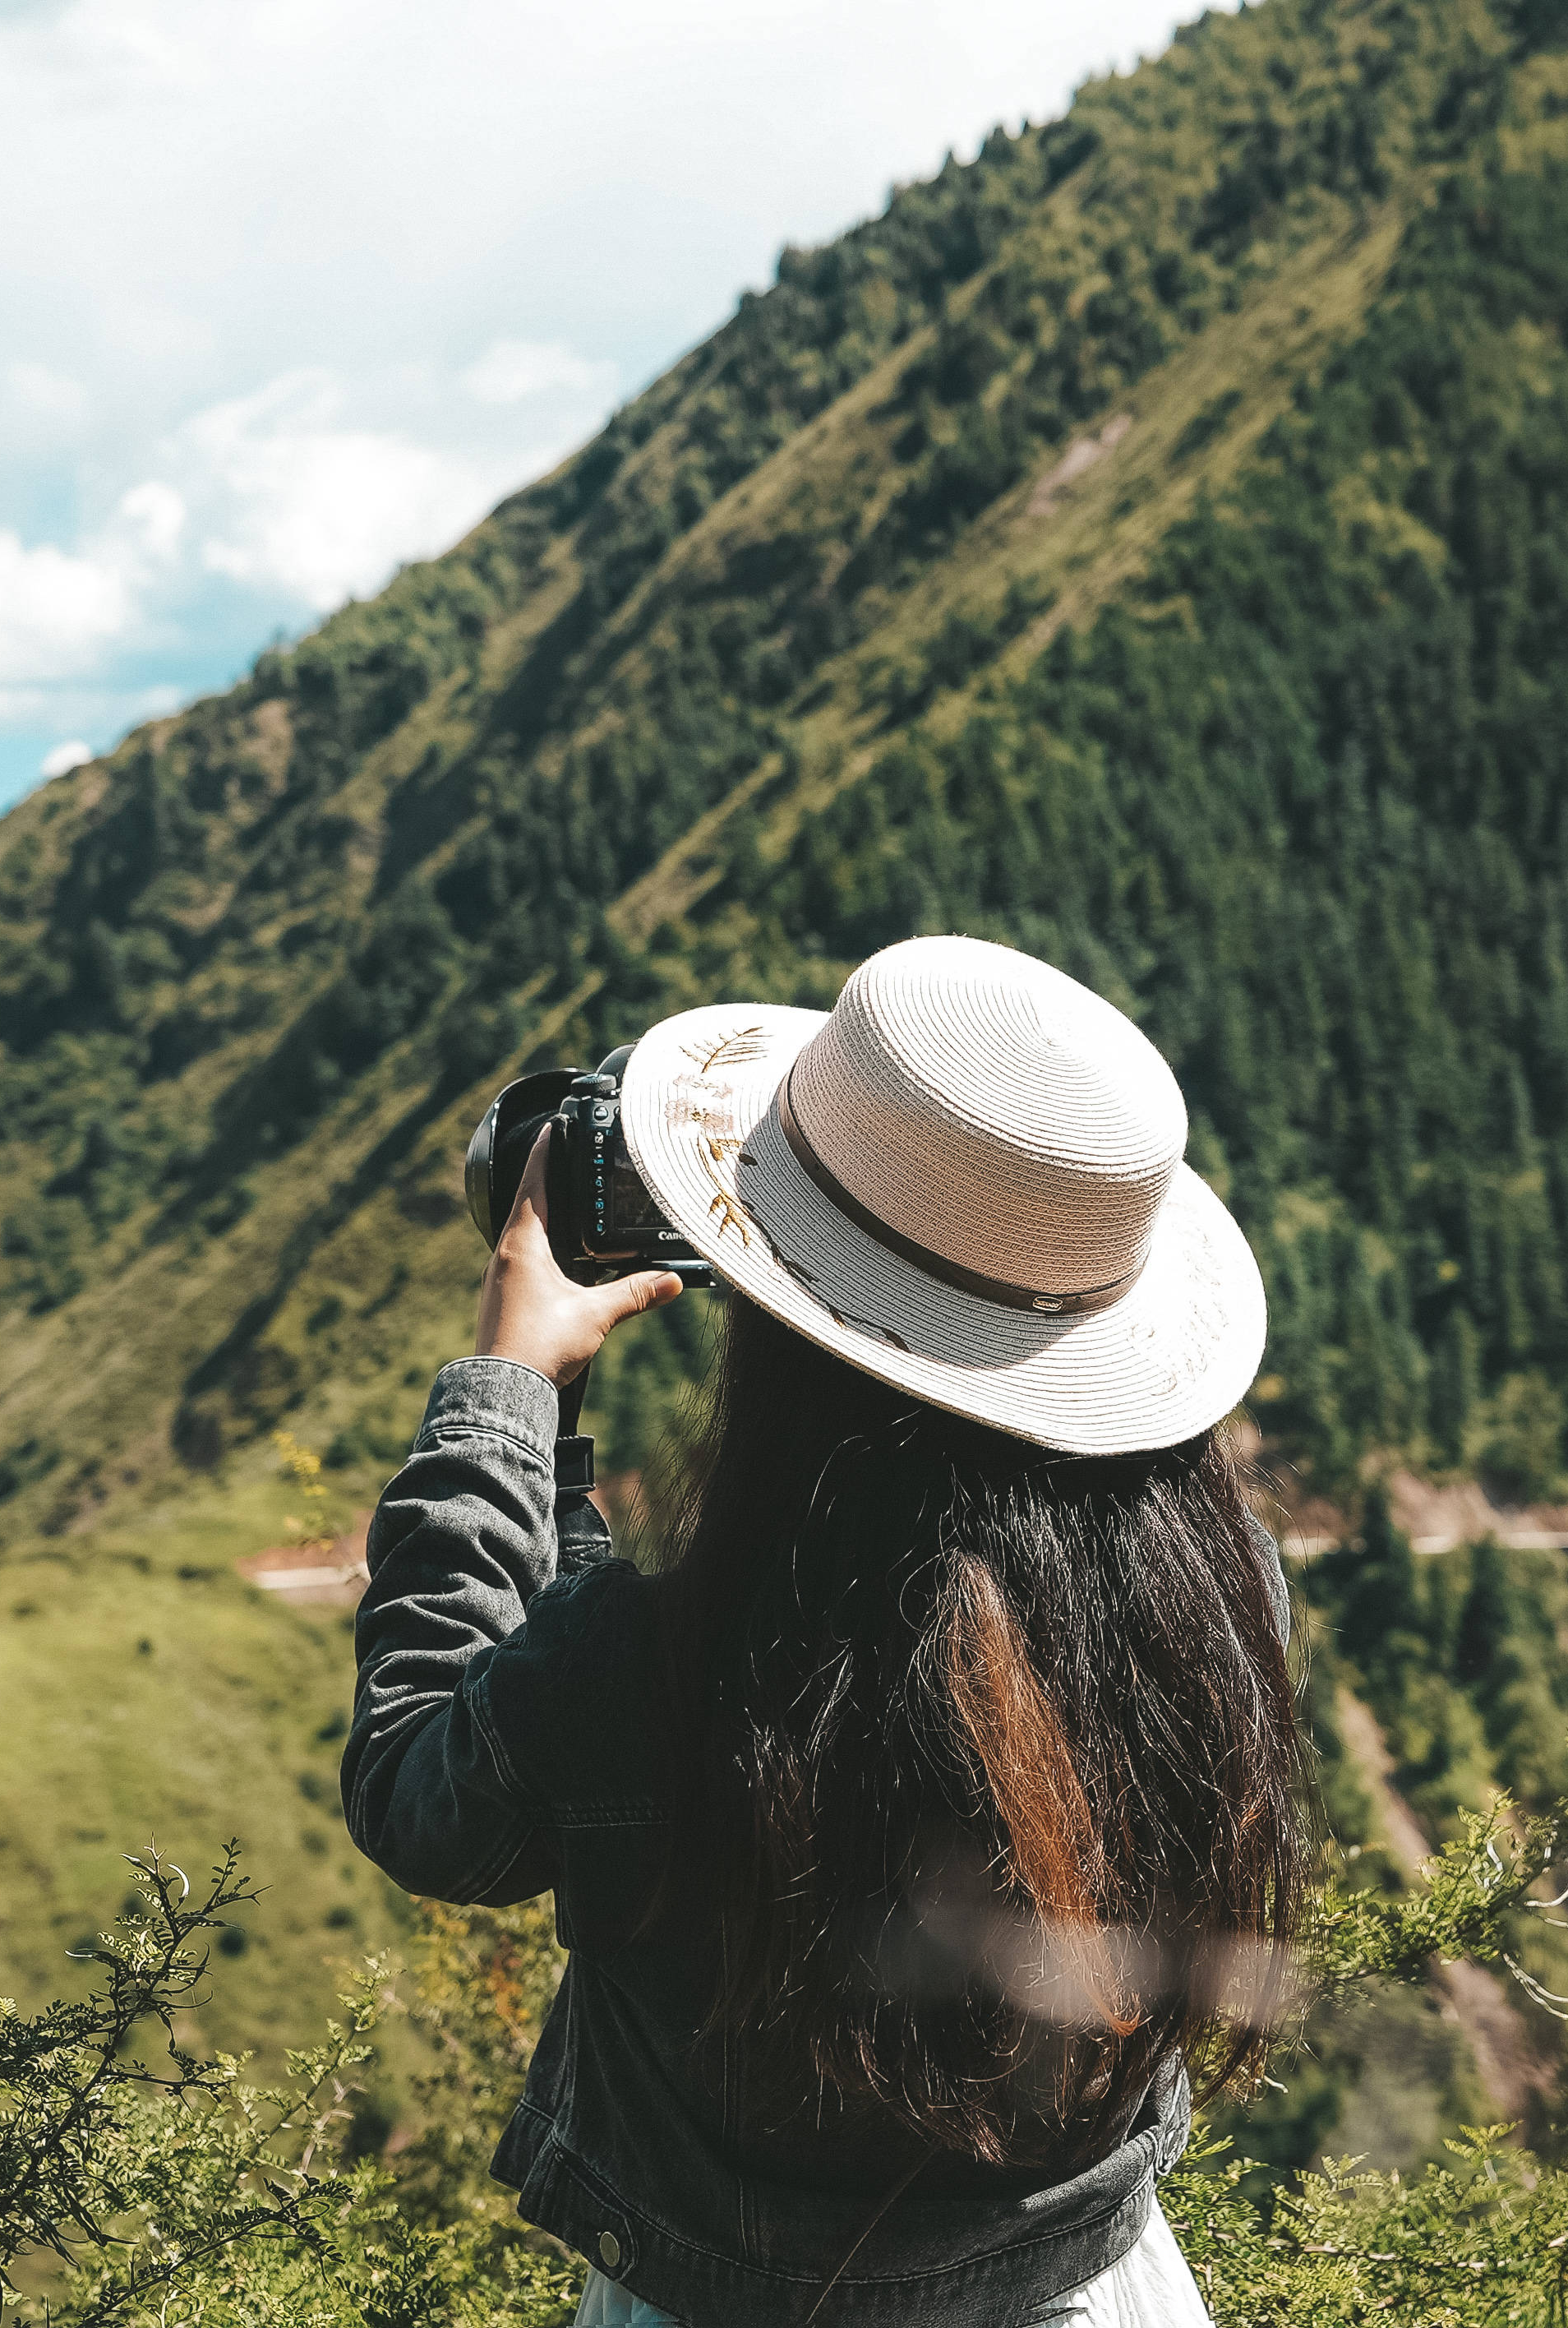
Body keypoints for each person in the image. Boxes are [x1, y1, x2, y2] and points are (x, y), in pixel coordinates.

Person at [345, 934, 1306, 2326]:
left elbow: (424, 1785)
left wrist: (512, 1388)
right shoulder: (1217, 1612)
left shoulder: (648, 1675)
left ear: (786, 1308)